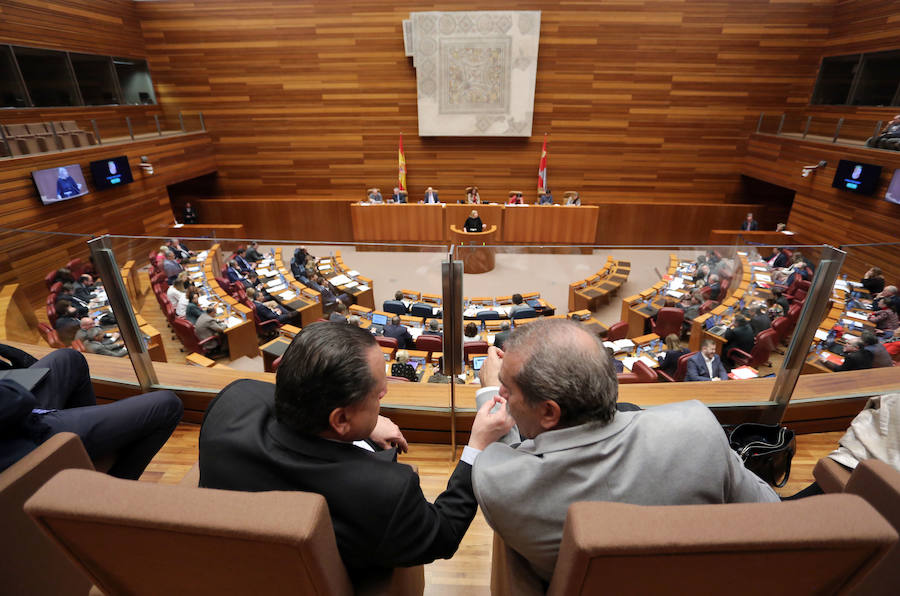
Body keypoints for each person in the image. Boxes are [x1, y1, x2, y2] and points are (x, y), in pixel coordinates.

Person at [199, 323, 514, 580]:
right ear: (339, 419)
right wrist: (477, 447)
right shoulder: (384, 491)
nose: (385, 393)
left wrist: (363, 425)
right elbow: (443, 534)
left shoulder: (232, 403)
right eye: (378, 395)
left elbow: (281, 394)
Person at [470, 319, 778, 582]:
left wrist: (487, 395)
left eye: (506, 388)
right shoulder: (697, 430)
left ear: (550, 412)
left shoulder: (500, 484)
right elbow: (771, 515)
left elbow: (512, 457)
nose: (501, 393)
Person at [0, 345, 182, 479]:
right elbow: (20, 400)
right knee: (167, 406)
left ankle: (91, 446)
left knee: (70, 358)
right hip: (18, 437)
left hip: (13, 416)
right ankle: (111, 489)